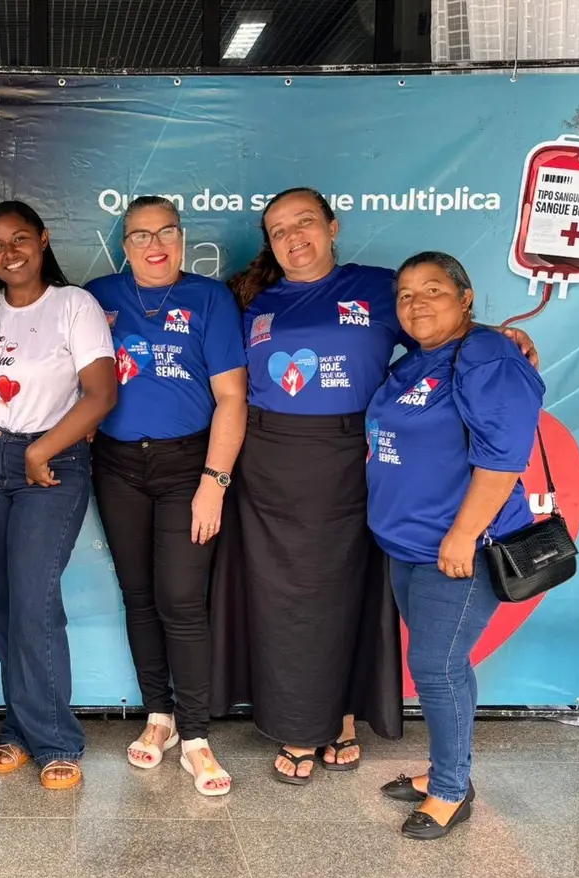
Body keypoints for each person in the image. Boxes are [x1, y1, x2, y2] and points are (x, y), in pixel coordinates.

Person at [211, 187, 537, 785]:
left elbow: (438, 330)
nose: (293, 237)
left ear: (333, 226)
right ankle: (298, 723)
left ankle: (342, 716)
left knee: (349, 593)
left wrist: (499, 337)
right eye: (279, 230)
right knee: (286, 601)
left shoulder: (381, 288)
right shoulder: (251, 300)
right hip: (272, 463)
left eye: (305, 222)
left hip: (354, 462)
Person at [367, 252, 544, 838]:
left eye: (433, 290)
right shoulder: (416, 360)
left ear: (466, 298)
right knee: (445, 664)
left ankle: (449, 789)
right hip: (407, 544)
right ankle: (448, 769)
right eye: (405, 294)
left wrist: (462, 536)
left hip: (460, 547)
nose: (416, 303)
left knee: (435, 665)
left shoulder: (488, 356)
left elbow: (503, 459)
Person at [84, 196, 247, 797]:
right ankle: (160, 716)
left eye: (166, 232)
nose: (155, 245)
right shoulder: (97, 296)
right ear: (123, 246)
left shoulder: (210, 298)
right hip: (117, 465)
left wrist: (214, 482)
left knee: (181, 597)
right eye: (140, 235)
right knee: (139, 595)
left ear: (182, 238)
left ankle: (196, 736)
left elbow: (231, 397)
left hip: (188, 466)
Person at [0, 201, 116, 790]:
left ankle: (55, 739)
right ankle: (20, 726)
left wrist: (40, 450)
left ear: (44, 239)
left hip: (49, 462)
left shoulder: (73, 305)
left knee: (33, 599)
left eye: (20, 239)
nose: (10, 253)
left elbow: (101, 394)